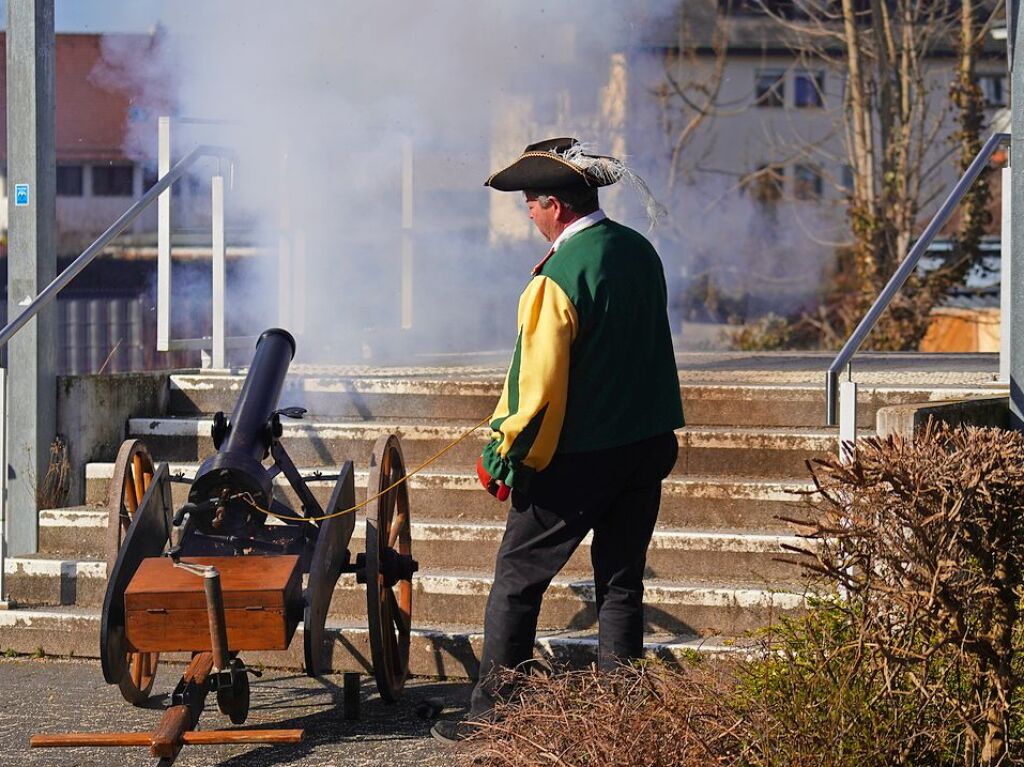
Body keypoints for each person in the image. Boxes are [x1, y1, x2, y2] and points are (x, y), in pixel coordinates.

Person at [431, 137, 684, 743]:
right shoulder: (639, 249)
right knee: (621, 580)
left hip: (579, 457)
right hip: (648, 442)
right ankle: (623, 718)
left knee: (517, 581)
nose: (528, 214)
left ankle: (495, 715)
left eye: (532, 204)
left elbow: (536, 386)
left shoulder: (556, 276)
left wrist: (505, 452)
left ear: (556, 206)